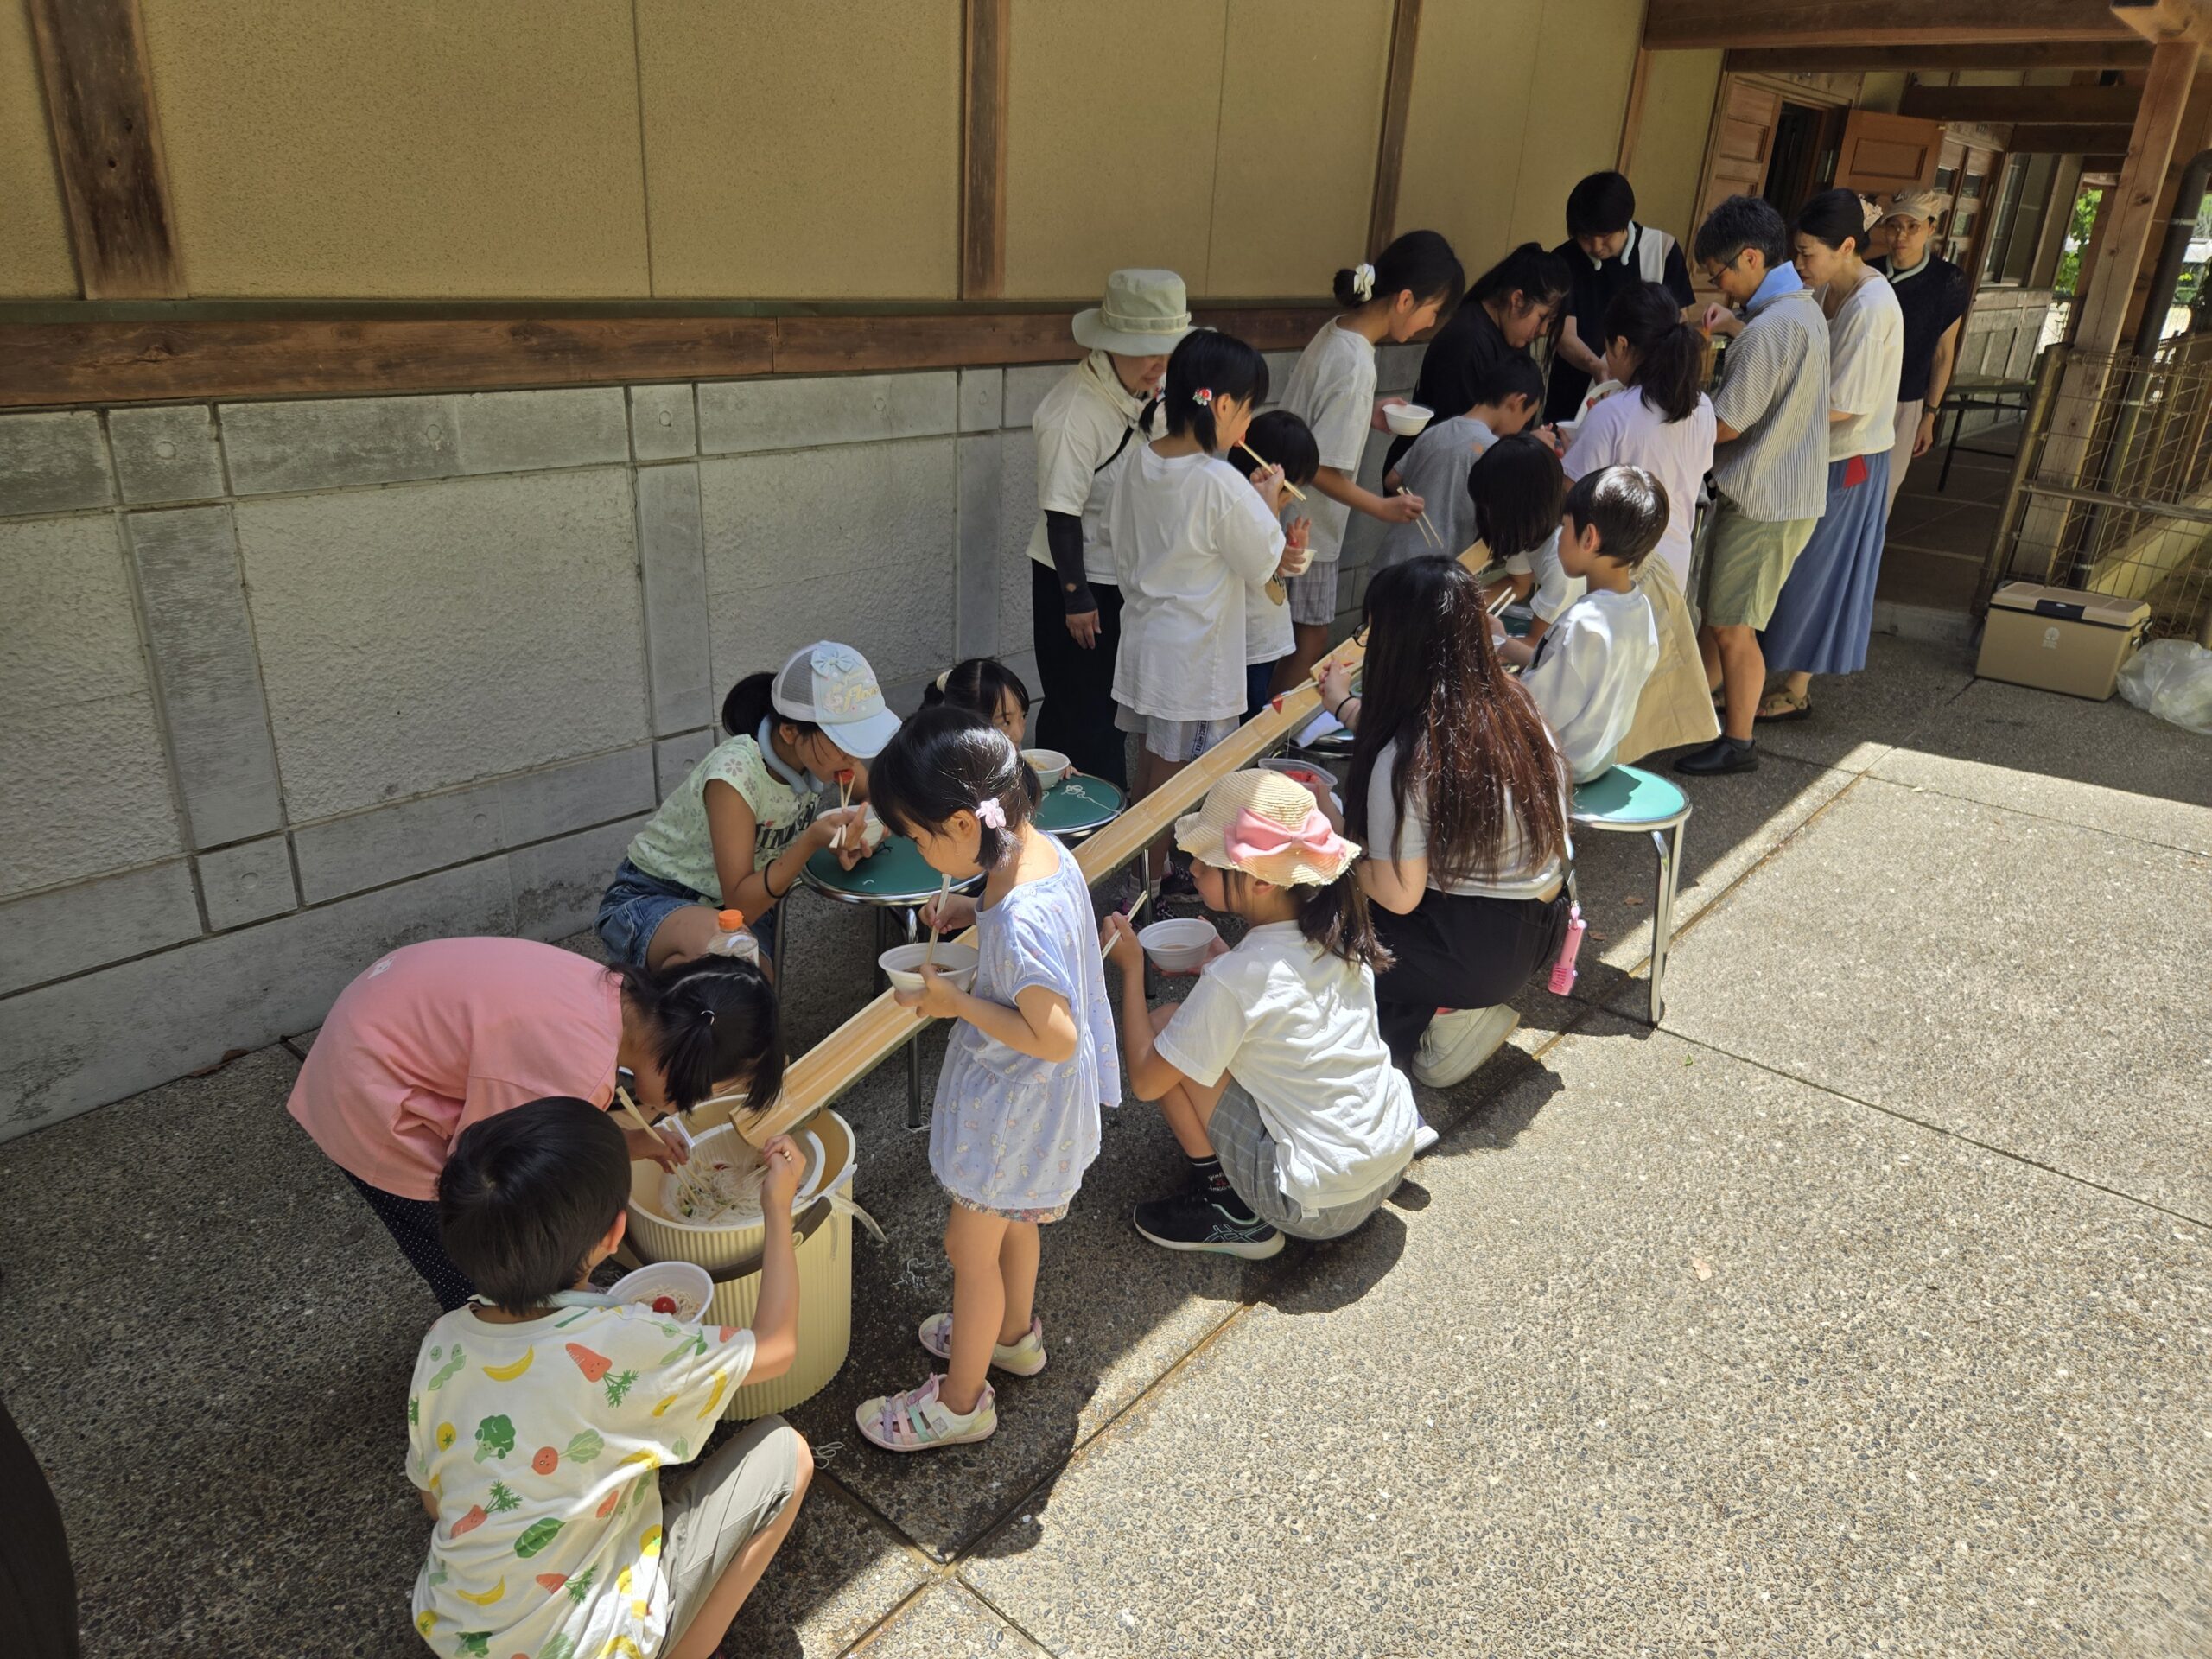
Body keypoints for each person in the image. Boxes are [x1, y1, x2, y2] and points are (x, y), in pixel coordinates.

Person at [408, 1097, 811, 1659]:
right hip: (590, 1648)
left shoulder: (443, 1341)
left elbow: (435, 1499)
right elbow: (777, 1348)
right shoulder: (624, 1341)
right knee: (787, 1453)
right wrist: (778, 1206)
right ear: (615, 1231)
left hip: (451, 1633)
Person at [854, 709, 1118, 1450]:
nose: (914, 846)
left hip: (1013, 1113)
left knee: (968, 1256)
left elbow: (1057, 1036)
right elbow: (1032, 937)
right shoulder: (1036, 851)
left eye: (917, 834)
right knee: (1015, 1226)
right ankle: (1010, 1336)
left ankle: (962, 1404)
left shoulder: (1021, 921)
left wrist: (954, 1002)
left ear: (966, 824)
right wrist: (973, 906)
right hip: (1034, 1115)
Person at [289, 940, 783, 1311]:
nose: (686, 1108)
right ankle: (495, 1340)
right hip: (364, 1091)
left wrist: (632, 1141)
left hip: (377, 1012)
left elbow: (532, 1100)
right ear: (685, 1069)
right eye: (703, 1094)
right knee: (474, 1250)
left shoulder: (612, 993)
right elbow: (489, 1171)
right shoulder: (579, 1067)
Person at [1103, 769, 1416, 1257]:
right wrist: (1224, 957)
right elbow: (1281, 1003)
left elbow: (1145, 1079)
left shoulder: (1236, 978)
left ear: (1260, 882)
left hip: (1316, 1205)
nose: (1195, 870)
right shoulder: (1338, 936)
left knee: (1166, 1025)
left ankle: (1227, 1208)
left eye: (1207, 861)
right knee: (1202, 1036)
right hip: (1386, 1163)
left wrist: (1130, 969)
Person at [1319, 559, 1572, 1083]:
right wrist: (1344, 705)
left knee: (1322, 915)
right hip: (1544, 924)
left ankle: (1449, 1021)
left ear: (1399, 646)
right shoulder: (1515, 704)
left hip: (1477, 952)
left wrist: (1330, 834)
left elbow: (1398, 893)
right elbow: (1437, 739)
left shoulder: (1406, 754)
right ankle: (1447, 1008)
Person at [1109, 329, 1290, 880]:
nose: (1248, 424)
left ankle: (1139, 875)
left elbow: (1119, 546)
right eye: (1248, 408)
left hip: (1146, 638)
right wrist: (1270, 505)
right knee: (1172, 781)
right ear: (1225, 403)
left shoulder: (1140, 461)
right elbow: (1266, 560)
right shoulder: (1219, 480)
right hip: (1192, 658)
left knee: (1150, 771)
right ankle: (1145, 890)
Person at [597, 643, 887, 969]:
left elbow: (875, 798)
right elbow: (740, 905)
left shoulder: (826, 760)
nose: (853, 756)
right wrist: (812, 841)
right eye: (841, 741)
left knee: (750, 989)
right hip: (654, 895)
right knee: (729, 971)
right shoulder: (734, 776)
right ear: (790, 731)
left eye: (857, 739)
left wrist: (869, 834)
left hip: (738, 904)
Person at [1676, 195, 1831, 778]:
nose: (1721, 289)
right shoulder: (1798, 310)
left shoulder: (1773, 327)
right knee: (1722, 617)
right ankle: (1696, 715)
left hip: (1764, 498)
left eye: (1720, 275)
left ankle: (1738, 742)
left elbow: (1728, 423)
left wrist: (1667, 420)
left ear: (1749, 257)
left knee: (1734, 626)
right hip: (1778, 492)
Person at [1272, 230, 1465, 691]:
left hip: (1289, 513)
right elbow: (1316, 467)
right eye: (1432, 313)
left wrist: (1371, 418)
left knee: (1293, 637)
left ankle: (1265, 732)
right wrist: (1381, 508)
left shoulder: (1339, 330)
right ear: (1405, 300)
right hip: (1306, 524)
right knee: (1309, 637)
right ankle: (1266, 739)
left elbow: (1317, 430)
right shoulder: (1357, 363)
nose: (1429, 325)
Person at [1021, 270, 1193, 790]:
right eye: (1146, 352)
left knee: (1118, 708)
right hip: (1078, 576)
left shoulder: (1157, 387)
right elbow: (1062, 514)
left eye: (1167, 350)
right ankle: (1072, 824)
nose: (1159, 365)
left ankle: (1110, 817)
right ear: (1110, 344)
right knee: (1081, 709)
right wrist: (1075, 599)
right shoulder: (1073, 413)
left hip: (1132, 572)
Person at [1758, 188, 1906, 721]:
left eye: (1807, 253)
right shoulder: (1826, 288)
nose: (1799, 264)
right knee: (1793, 567)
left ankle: (1795, 685)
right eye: (1796, 252)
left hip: (1850, 460)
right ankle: (1760, 677)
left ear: (1847, 246)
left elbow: (1843, 406)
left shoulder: (1871, 304)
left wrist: (1767, 418)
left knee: (1817, 570)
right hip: (1819, 452)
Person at [1498, 467, 1666, 781]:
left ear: (1589, 538)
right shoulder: (1638, 607)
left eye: (1564, 527)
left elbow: (1535, 710)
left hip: (1557, 762)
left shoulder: (1583, 624)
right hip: (1598, 756)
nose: (1560, 535)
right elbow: (1568, 672)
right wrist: (1504, 642)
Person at [1561, 281, 1715, 588]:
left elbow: (1571, 495)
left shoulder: (1611, 413)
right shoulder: (1702, 407)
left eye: (1607, 350)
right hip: (1673, 570)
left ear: (1621, 344)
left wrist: (1567, 454)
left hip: (1619, 576)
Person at [1390, 240, 1571, 474]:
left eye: (1551, 322)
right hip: (1429, 477)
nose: (1543, 331)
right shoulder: (1467, 340)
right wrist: (1524, 445)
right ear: (1517, 300)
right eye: (1542, 317)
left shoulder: (1511, 334)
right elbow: (1461, 436)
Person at [1545, 170, 1698, 424]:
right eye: (1584, 237)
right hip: (1573, 389)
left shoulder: (1661, 250)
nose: (1595, 247)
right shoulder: (1565, 259)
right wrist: (1597, 367)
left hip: (1644, 397)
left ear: (1624, 223)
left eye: (1605, 236)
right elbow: (1564, 335)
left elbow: (1679, 325)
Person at [1374, 352, 1545, 570]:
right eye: (1527, 418)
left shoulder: (1437, 430)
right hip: (1431, 575)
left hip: (1392, 560)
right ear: (1517, 401)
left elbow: (1392, 480)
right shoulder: (1493, 451)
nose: (1523, 426)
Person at [1869, 189, 1971, 514]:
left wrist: (1930, 414)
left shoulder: (1946, 280)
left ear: (1931, 228)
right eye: (1894, 226)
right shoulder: (1867, 273)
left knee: (1882, 493)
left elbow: (1943, 352)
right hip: (1855, 394)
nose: (1901, 235)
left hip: (1905, 398)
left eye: (1912, 226)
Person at [1224, 409, 1320, 716]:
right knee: (1245, 718)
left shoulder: (1266, 505)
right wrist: (1269, 516)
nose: (1293, 496)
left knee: (1257, 709)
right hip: (1247, 642)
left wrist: (1295, 550)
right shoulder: (1240, 506)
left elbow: (1278, 567)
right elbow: (1253, 562)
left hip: (1266, 638)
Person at [1467, 433, 1576, 648]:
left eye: (1491, 508)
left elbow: (1536, 647)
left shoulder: (1561, 557)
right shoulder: (1527, 528)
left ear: (1520, 509)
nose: (1486, 517)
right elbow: (1518, 584)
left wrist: (1477, 652)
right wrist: (1466, 603)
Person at [922, 657, 1032, 747]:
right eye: (1005, 722)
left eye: (1023, 716)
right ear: (965, 725)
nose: (1018, 735)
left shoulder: (1008, 753)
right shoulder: (953, 768)